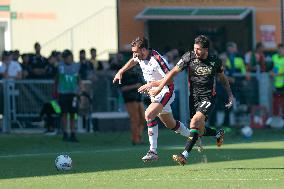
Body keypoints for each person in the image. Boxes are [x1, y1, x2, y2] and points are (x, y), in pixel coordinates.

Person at [150, 35, 234, 165]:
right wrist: (160, 87)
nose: (196, 51)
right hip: (193, 98)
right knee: (198, 130)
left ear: (206, 50)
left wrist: (230, 95)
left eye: (199, 49)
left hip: (208, 97)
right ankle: (217, 133)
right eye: (194, 48)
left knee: (194, 122)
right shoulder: (189, 57)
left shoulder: (215, 61)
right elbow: (172, 72)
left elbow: (222, 78)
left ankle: (184, 155)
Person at [113, 37, 191, 162]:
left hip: (166, 91)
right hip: (155, 93)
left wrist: (151, 85)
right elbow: (133, 61)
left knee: (148, 114)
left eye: (136, 52)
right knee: (170, 124)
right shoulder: (139, 56)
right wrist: (121, 71)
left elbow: (170, 79)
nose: (134, 54)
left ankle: (153, 151)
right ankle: (193, 137)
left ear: (144, 50)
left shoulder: (157, 60)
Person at [55, 49, 81, 142]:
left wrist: (80, 90)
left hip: (73, 93)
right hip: (63, 93)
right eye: (64, 57)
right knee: (64, 113)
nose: (66, 59)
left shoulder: (76, 66)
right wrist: (55, 91)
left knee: (73, 114)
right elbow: (57, 78)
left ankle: (73, 133)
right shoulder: (60, 66)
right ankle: (65, 132)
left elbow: (78, 79)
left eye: (67, 57)